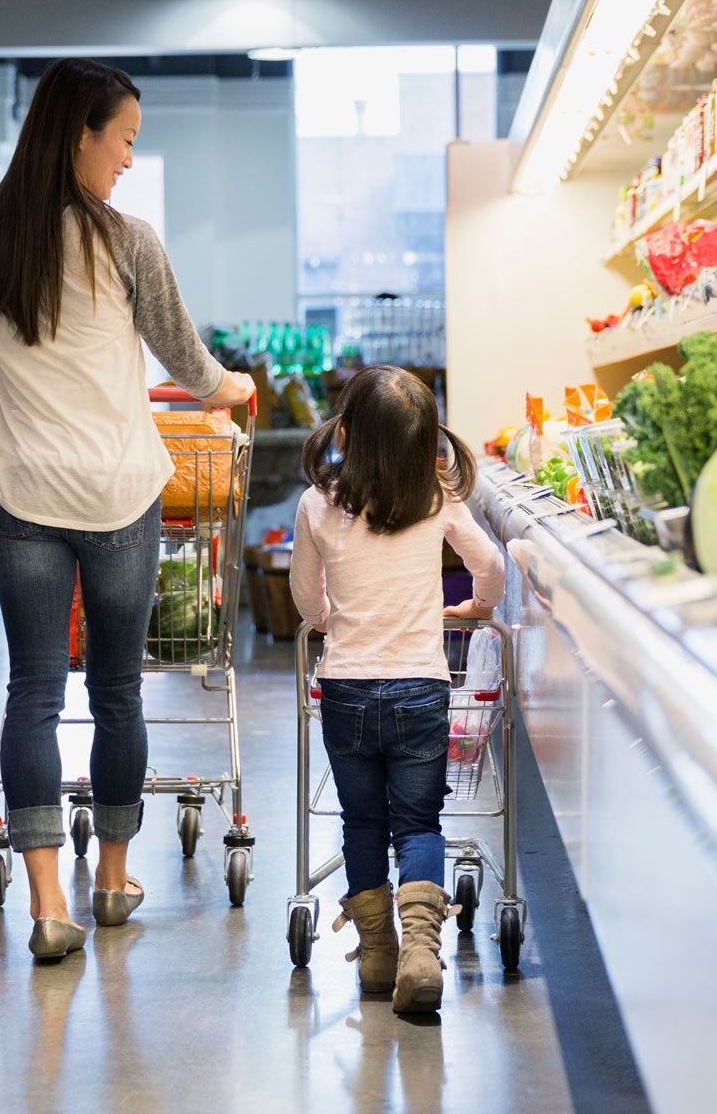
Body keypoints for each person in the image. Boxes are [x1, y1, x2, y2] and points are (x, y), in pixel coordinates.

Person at [0, 58, 255, 963]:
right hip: (119, 493)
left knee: (32, 692)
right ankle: (111, 879)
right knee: (117, 689)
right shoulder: (128, 242)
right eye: (123, 141)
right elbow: (188, 363)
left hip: (26, 493)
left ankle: (46, 902)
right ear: (80, 132)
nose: (126, 160)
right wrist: (233, 384)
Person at [289, 365, 505, 1013]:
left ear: (346, 435)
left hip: (347, 692)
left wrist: (328, 618)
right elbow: (489, 564)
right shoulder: (437, 500)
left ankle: (378, 955)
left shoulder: (316, 504)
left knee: (362, 821)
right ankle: (420, 951)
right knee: (418, 822)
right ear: (423, 442)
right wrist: (477, 606)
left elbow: (306, 594)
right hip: (420, 688)